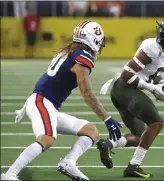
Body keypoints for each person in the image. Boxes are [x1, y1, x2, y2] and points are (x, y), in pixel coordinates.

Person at [1, 20, 122, 181]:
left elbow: (49, 80)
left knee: (90, 130)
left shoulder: (71, 51)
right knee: (47, 139)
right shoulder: (82, 58)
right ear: (93, 40)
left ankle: (68, 162)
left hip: (43, 102)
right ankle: (9, 175)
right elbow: (87, 93)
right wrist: (107, 118)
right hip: (42, 102)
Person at [97, 16, 164, 178]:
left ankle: (108, 144)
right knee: (157, 123)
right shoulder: (151, 47)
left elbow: (153, 75)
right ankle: (133, 166)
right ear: (161, 34)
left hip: (124, 90)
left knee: (140, 136)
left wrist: (163, 84)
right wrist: (152, 89)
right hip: (124, 87)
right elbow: (126, 74)